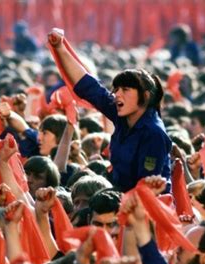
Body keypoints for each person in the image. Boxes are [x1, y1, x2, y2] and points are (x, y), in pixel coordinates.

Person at [48, 29, 172, 193]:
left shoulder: (153, 134)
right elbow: (89, 88)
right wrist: (60, 48)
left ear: (146, 96)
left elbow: (147, 189)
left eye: (126, 89)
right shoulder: (124, 114)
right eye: (117, 89)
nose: (117, 94)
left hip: (144, 208)